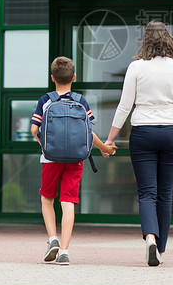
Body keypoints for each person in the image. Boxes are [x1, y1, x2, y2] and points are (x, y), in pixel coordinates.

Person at [106, 21, 173, 267]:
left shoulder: (136, 67)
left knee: (147, 192)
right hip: (172, 131)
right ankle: (161, 251)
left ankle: (150, 239)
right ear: (169, 40)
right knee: (165, 194)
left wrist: (111, 138)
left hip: (143, 132)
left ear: (145, 41)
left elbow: (125, 106)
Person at [30, 56, 114, 266]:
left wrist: (44, 143)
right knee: (68, 202)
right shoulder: (80, 101)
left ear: (52, 78)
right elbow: (89, 132)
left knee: (47, 198)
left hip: (50, 159)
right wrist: (104, 148)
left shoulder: (45, 100)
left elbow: (34, 129)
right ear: (74, 77)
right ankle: (65, 251)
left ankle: (53, 239)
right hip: (76, 159)